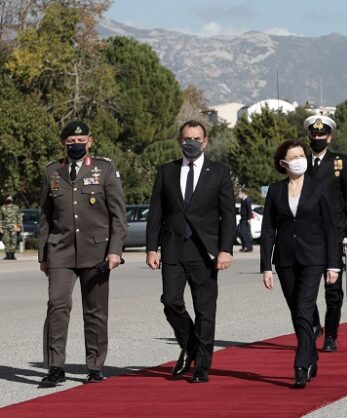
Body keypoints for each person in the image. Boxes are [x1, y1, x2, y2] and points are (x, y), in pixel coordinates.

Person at [38, 120, 127, 386]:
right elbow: (45, 216)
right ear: (63, 143)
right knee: (57, 305)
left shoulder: (104, 169)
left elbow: (118, 216)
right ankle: (55, 366)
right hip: (60, 251)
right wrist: (43, 254)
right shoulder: (52, 171)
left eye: (81, 141)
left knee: (96, 310)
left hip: (97, 251)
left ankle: (95, 366)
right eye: (70, 142)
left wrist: (114, 251)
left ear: (90, 141)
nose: (76, 145)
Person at [146, 120, 235, 384]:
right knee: (171, 301)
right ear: (179, 141)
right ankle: (190, 345)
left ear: (205, 141)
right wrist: (152, 248)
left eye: (197, 138)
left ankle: (202, 366)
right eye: (187, 138)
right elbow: (156, 213)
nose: (192, 143)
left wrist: (225, 250)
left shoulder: (218, 172)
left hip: (205, 252)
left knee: (205, 310)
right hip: (173, 249)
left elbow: (228, 215)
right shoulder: (166, 171)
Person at [260, 140, 340, 388]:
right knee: (298, 311)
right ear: (283, 163)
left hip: (313, 258)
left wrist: (333, 265)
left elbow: (330, 228)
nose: (299, 160)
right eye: (292, 157)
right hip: (285, 260)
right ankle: (311, 354)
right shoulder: (275, 191)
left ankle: (301, 364)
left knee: (304, 308)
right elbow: (268, 230)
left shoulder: (319, 188)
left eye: (301, 155)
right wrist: (266, 266)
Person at [305, 114, 347, 352]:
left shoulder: (340, 162)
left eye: (321, 135)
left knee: (332, 291)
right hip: (308, 237)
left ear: (330, 137)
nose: (317, 138)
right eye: (314, 135)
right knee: (303, 288)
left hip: (335, 236)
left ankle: (331, 336)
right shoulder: (301, 163)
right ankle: (315, 325)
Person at [0, 195, 23, 260]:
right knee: (6, 240)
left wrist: (19, 227)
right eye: (8, 197)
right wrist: (0, 227)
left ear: (12, 199)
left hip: (14, 227)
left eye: (10, 197)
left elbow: (19, 218)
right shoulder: (2, 208)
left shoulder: (16, 207)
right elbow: (0, 218)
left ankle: (12, 255)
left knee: (13, 241)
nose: (9, 198)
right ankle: (7, 255)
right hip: (5, 227)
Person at [237, 187, 254, 252]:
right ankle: (244, 246)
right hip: (242, 219)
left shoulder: (247, 200)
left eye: (240, 192)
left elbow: (249, 210)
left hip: (246, 219)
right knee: (239, 231)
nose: (239, 194)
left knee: (244, 233)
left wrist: (249, 218)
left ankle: (249, 248)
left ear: (243, 192)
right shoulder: (242, 200)